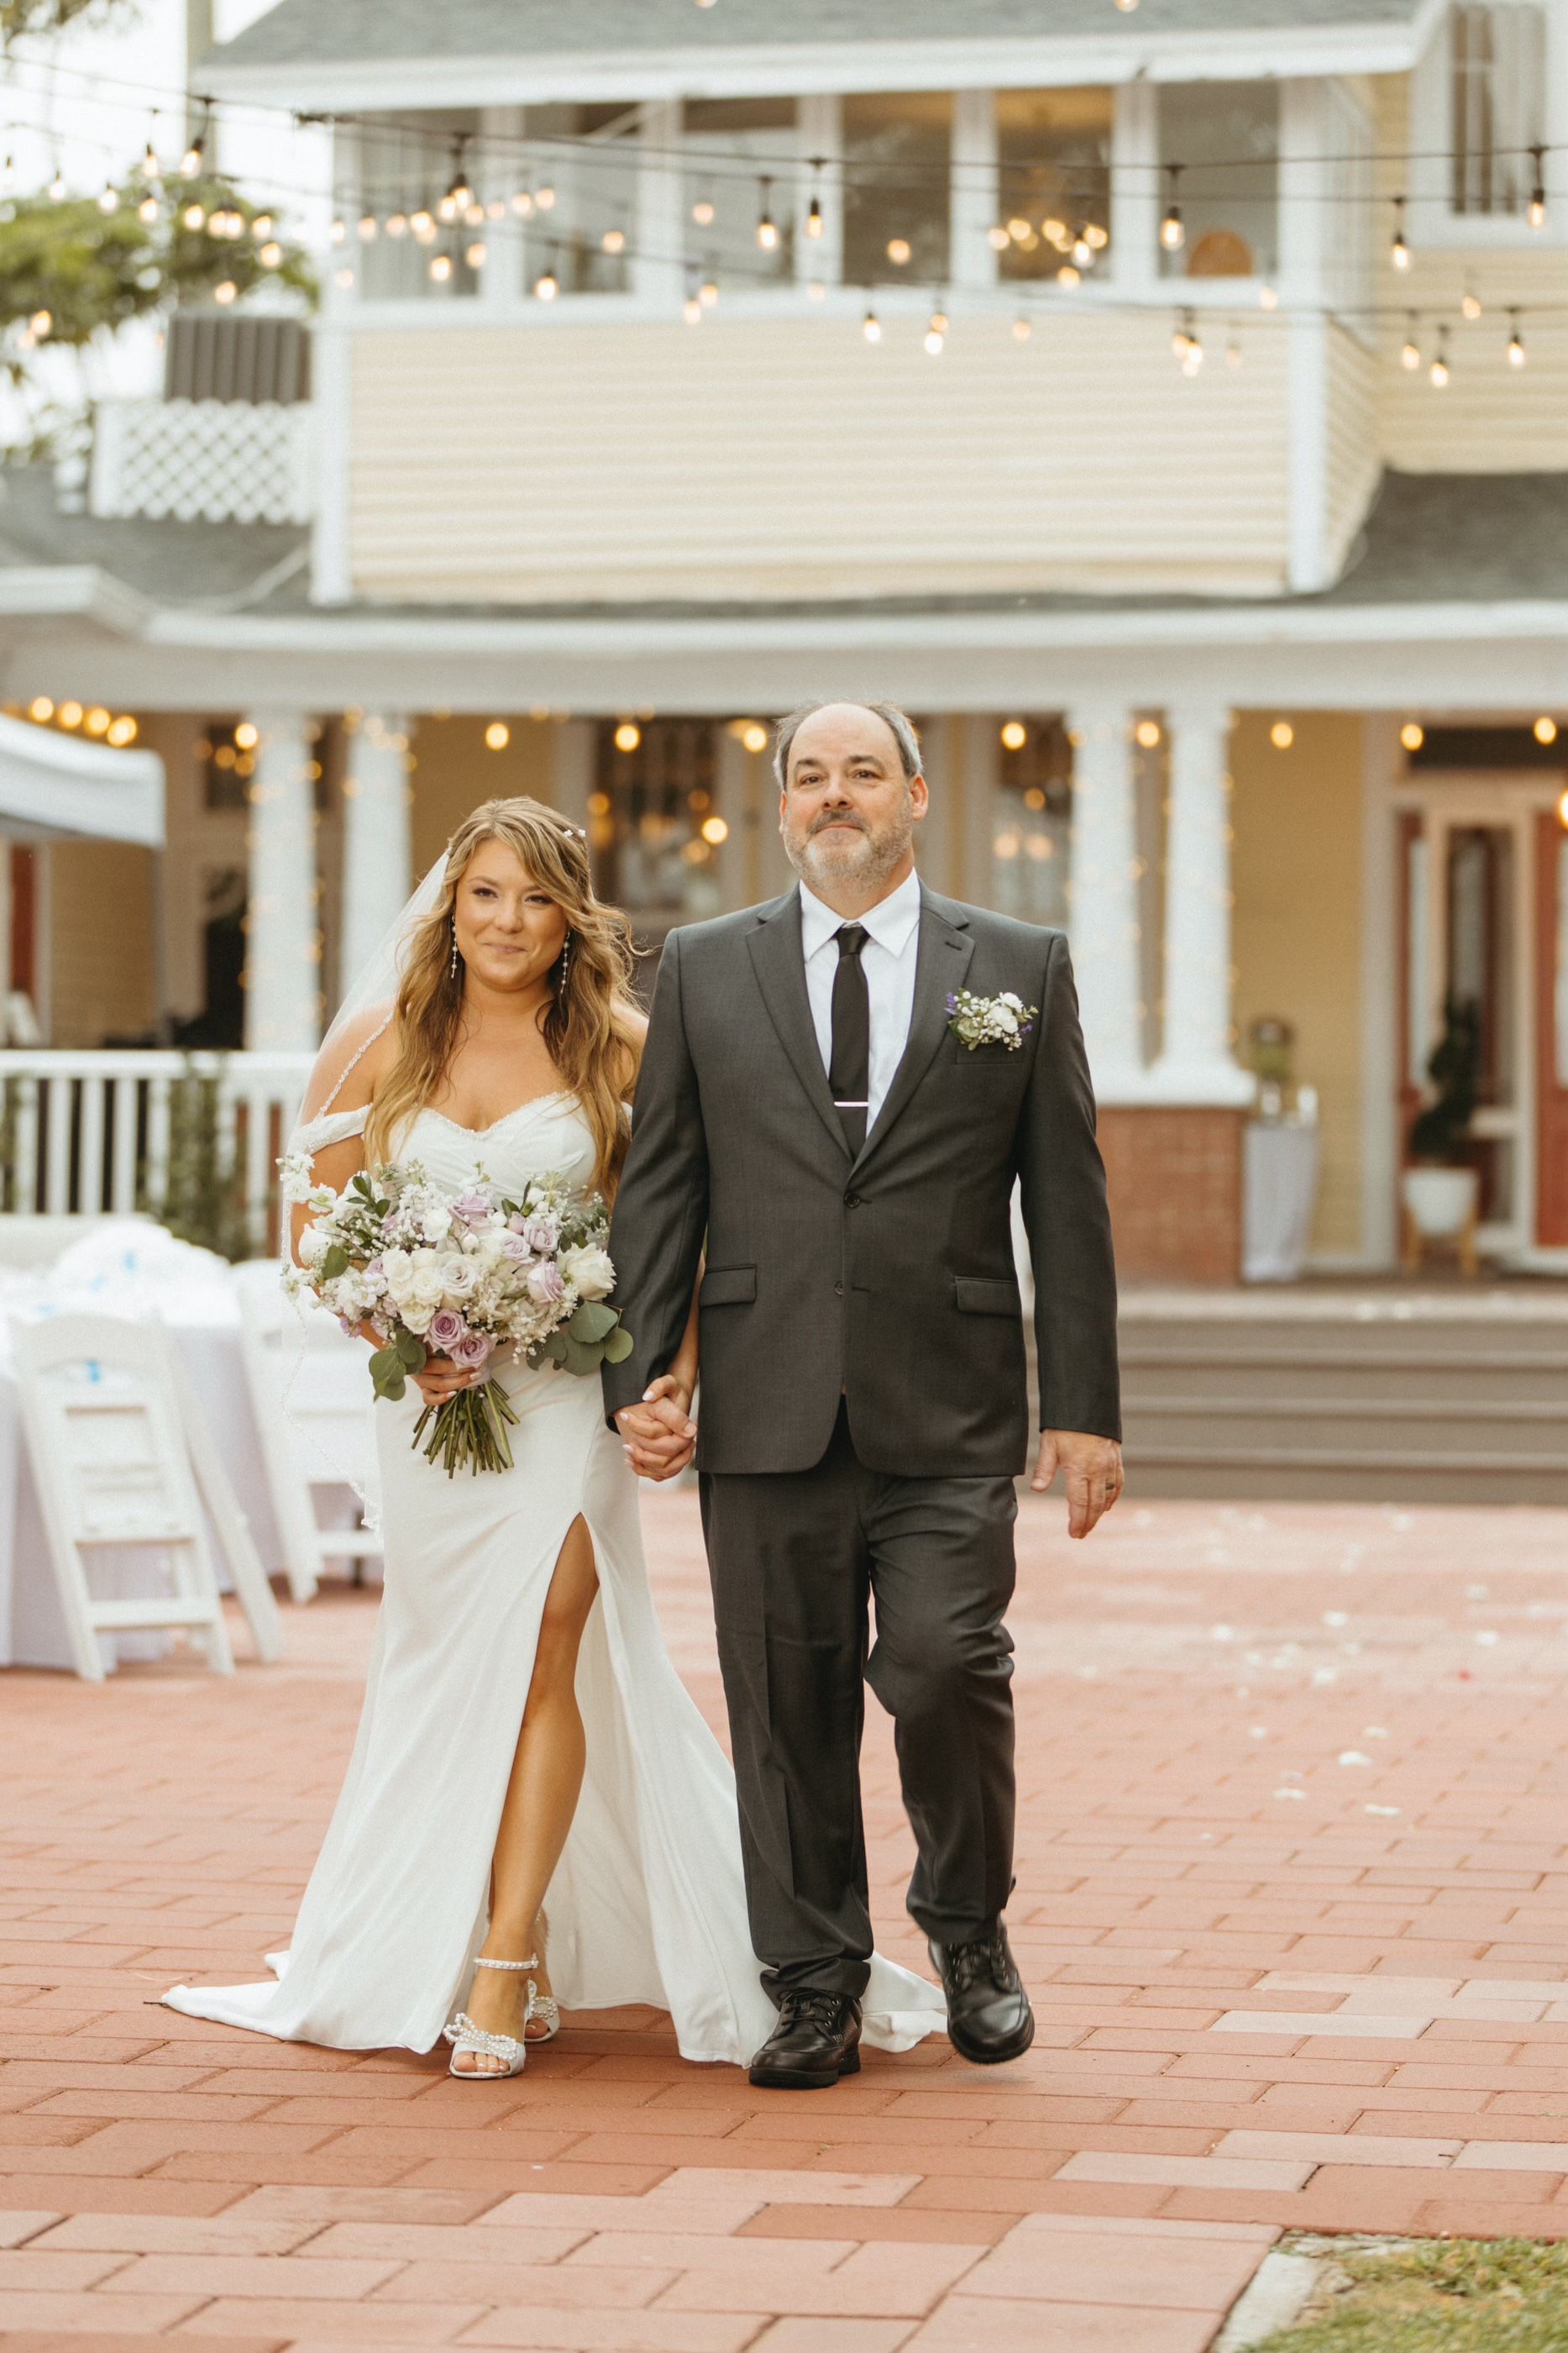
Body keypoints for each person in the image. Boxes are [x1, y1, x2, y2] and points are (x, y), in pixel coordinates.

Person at [164, 796, 943, 2077]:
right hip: (425, 1405)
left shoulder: (626, 1048)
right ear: (451, 907)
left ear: (571, 917)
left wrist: (669, 1377)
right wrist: (407, 1333)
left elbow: (694, 1231)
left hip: (560, 1402)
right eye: (485, 894)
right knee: (448, 1663)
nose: (508, 921)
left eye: (534, 898)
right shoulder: (379, 1042)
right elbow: (313, 1221)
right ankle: (454, 1921)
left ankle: (507, 1955)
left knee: (547, 1648)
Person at [604, 704, 1123, 2091]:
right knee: (784, 1702)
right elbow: (665, 1182)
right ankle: (815, 1980)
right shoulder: (706, 970)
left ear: (916, 797)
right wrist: (640, 1371)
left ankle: (968, 1928)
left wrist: (1084, 1404)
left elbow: (1065, 1202)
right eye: (809, 776)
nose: (836, 797)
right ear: (782, 807)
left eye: (862, 774)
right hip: (765, 1398)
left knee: (951, 1663)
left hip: (948, 1401)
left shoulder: (1013, 965)